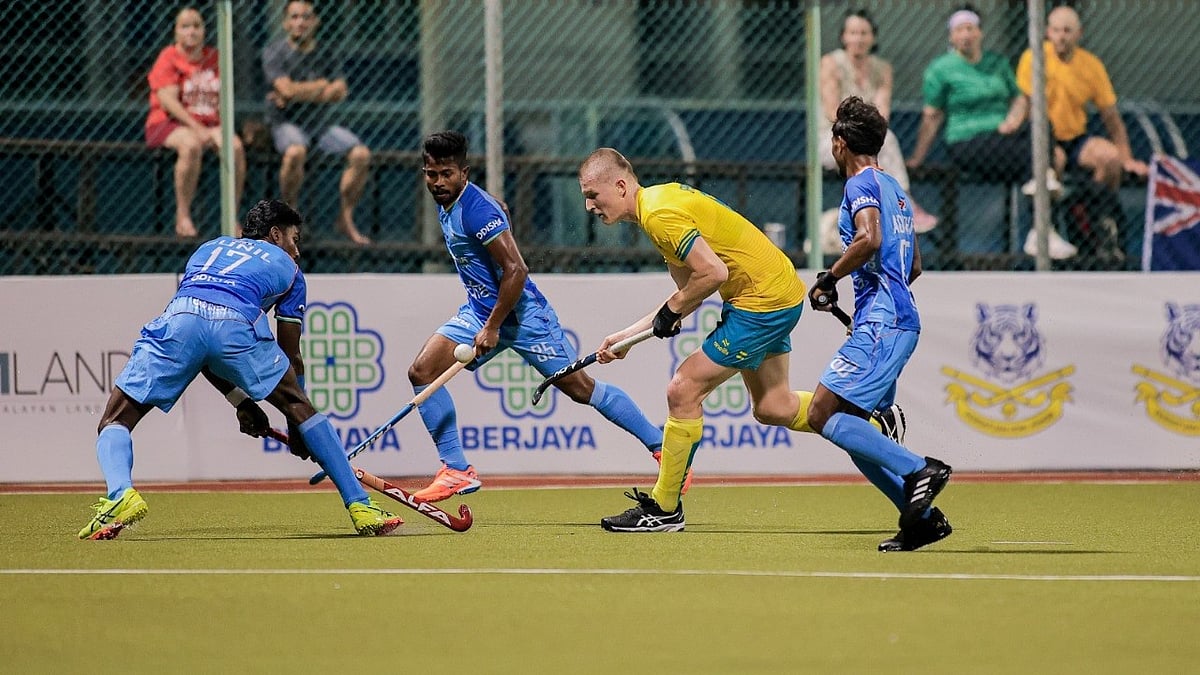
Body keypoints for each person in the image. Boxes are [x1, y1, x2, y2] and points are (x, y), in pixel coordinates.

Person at [578, 144, 930, 541]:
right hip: (777, 292)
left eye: (593, 195)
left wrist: (673, 311)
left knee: (683, 389)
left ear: (621, 185)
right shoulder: (660, 204)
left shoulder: (659, 215)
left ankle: (664, 507)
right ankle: (872, 421)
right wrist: (627, 337)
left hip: (760, 303)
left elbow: (711, 274)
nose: (590, 205)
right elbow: (687, 292)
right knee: (772, 406)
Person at [77, 199, 402, 540]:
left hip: (180, 319)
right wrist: (295, 425)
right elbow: (290, 356)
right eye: (295, 239)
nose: (298, 251)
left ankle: (120, 495)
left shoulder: (209, 248)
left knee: (114, 420)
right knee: (301, 406)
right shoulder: (290, 270)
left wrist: (241, 403)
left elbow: (200, 343)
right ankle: (361, 505)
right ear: (276, 234)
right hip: (235, 325)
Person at [409, 130, 673, 502]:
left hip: (523, 317)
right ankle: (455, 470)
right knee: (422, 371)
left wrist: (493, 327)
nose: (437, 182)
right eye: (431, 174)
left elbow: (517, 269)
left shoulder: (476, 209)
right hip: (479, 312)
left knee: (582, 389)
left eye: (446, 174)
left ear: (464, 172)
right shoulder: (452, 202)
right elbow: (499, 213)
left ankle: (661, 446)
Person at [809, 96, 954, 551]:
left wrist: (831, 277)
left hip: (884, 322)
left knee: (822, 413)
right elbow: (913, 267)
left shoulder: (859, 185)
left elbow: (869, 239)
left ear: (842, 143)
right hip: (896, 318)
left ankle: (919, 470)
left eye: (833, 141)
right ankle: (921, 521)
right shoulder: (895, 189)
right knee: (855, 430)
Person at [907, 4, 1077, 260]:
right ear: (952, 36)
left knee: (1042, 128)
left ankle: (1041, 223)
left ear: (980, 33)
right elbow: (932, 116)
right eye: (960, 30)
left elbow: (1020, 99)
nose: (966, 34)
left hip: (1003, 136)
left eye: (970, 28)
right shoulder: (940, 69)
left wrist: (1012, 120)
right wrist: (918, 157)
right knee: (1045, 159)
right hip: (967, 141)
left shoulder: (997, 63)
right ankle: (1042, 228)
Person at [1016, 5, 1148, 262]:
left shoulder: (1091, 65)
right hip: (1043, 139)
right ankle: (1047, 230)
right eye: (1056, 30)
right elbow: (1026, 105)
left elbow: (1111, 116)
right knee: (1055, 160)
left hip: (1076, 137)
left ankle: (1098, 218)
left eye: (1067, 30)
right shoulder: (1033, 58)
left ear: (1079, 33)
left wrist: (1126, 157)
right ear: (1046, 32)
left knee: (1109, 158)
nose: (1061, 36)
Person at [261, 1, 372, 245]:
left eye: (306, 17)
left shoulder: (326, 52)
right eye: (294, 17)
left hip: (320, 126)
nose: (300, 22)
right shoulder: (274, 52)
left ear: (315, 22)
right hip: (285, 124)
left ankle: (345, 217)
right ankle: (289, 219)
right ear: (285, 22)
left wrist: (295, 93)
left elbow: (340, 90)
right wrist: (321, 87)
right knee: (295, 151)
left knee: (361, 154)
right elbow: (285, 88)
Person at [819, 8, 937, 233]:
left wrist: (865, 127)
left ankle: (889, 208)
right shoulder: (830, 63)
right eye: (853, 33)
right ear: (843, 36)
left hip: (871, 139)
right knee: (886, 140)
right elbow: (833, 113)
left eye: (864, 33)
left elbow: (882, 116)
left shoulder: (883, 68)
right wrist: (862, 126)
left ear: (873, 37)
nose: (858, 39)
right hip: (834, 138)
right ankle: (902, 204)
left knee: (886, 137)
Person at [145, 7, 245, 239]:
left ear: (204, 31)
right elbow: (167, 100)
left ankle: (232, 214)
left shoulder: (214, 57)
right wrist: (197, 128)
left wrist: (218, 129)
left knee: (236, 147)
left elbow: (223, 99)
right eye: (185, 26)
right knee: (191, 146)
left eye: (196, 26)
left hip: (209, 123)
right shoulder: (169, 57)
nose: (191, 31)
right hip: (168, 123)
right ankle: (183, 215)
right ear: (176, 32)